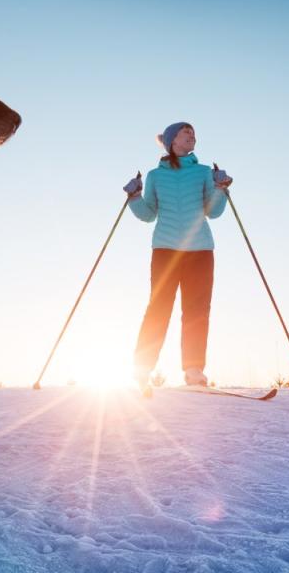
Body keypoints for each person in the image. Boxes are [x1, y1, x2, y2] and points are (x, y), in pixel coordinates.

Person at [123, 122, 232, 394]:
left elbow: (213, 212)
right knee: (158, 307)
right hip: (166, 249)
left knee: (196, 311)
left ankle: (194, 371)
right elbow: (148, 214)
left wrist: (220, 189)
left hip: (200, 250)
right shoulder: (155, 176)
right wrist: (134, 196)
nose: (192, 136)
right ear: (172, 141)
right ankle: (142, 369)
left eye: (194, 133)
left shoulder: (204, 172)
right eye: (186, 132)